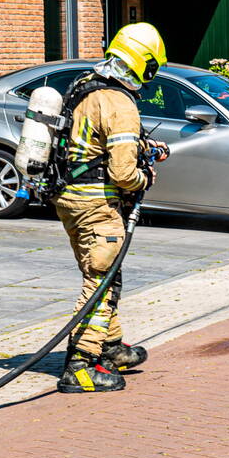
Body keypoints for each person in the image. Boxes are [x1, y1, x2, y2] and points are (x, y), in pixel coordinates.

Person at [55, 22, 168, 393]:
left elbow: (95, 146)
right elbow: (122, 172)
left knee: (103, 275)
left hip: (70, 198)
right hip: (97, 205)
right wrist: (144, 178)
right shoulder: (121, 103)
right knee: (101, 282)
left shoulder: (85, 85)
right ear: (145, 65)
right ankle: (80, 365)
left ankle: (112, 346)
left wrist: (144, 151)